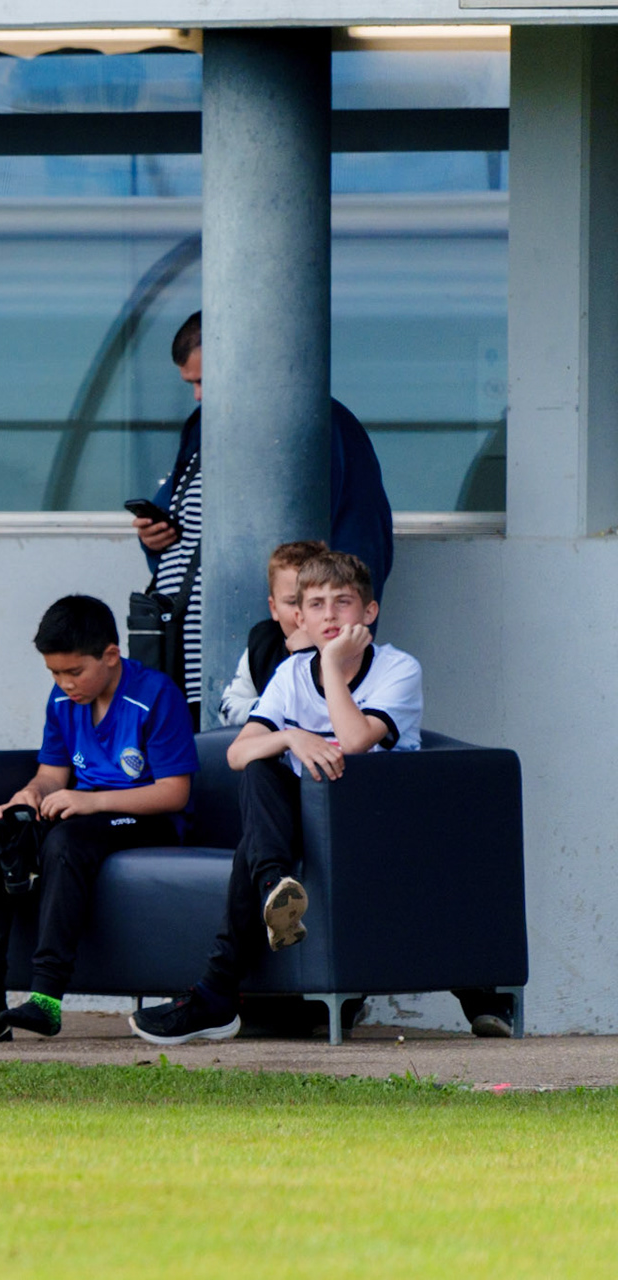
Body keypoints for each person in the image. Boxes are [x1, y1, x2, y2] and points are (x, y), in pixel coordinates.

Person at [131, 552, 423, 1046]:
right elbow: (239, 752)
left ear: (369, 613)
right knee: (263, 765)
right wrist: (290, 738)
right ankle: (274, 888)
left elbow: (353, 742)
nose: (330, 616)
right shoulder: (290, 673)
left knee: (253, 845)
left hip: (371, 816)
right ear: (300, 617)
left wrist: (330, 664)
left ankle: (216, 994)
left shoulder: (398, 668)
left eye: (343, 603)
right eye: (316, 605)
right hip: (301, 818)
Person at [0, 595, 197, 1044]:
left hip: (145, 821)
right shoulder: (63, 700)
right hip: (84, 813)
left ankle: (47, 999)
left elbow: (175, 793)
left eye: (74, 672)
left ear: (111, 656)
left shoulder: (156, 695)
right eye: (55, 674)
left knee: (65, 841)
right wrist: (32, 794)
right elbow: (52, 774)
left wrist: (92, 802)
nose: (65, 683)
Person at [132, 311, 393, 723]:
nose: (198, 396)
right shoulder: (202, 428)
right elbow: (178, 517)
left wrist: (338, 644)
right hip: (187, 654)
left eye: (205, 381)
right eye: (191, 384)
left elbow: (363, 544)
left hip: (287, 652)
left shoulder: (319, 424)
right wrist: (155, 537)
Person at [217, 540, 326, 726]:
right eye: (292, 602)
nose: (302, 614)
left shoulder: (347, 648)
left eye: (315, 603)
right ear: (274, 608)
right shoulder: (264, 642)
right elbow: (228, 709)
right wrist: (274, 708)